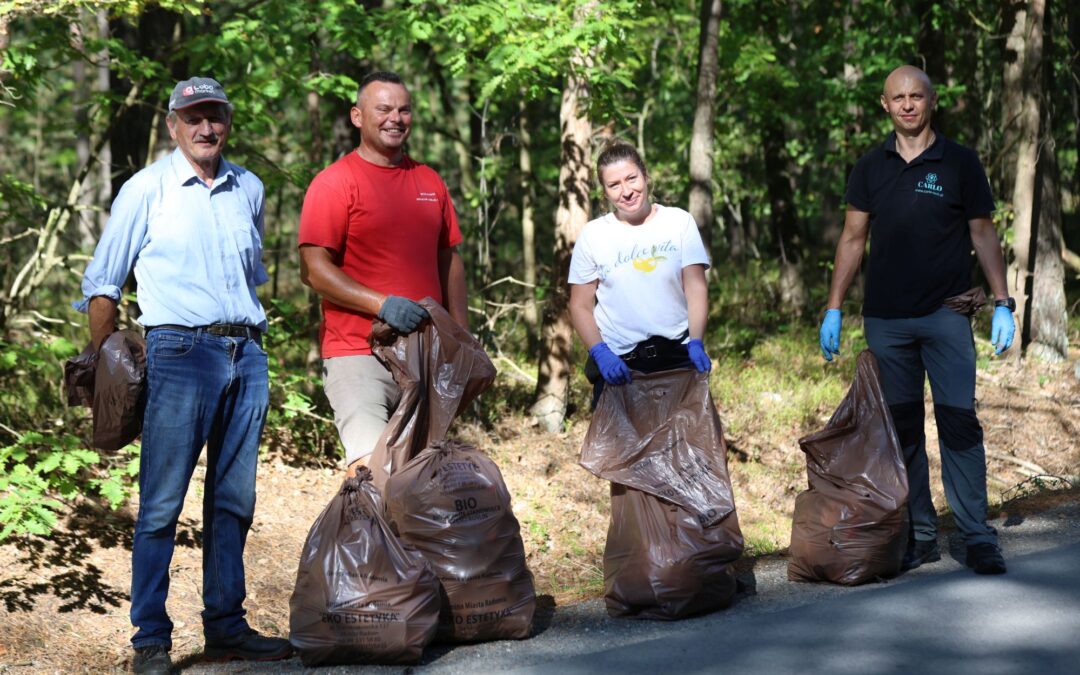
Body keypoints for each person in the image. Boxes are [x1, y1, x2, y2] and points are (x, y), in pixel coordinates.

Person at [75, 77, 292, 673]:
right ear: (172, 125)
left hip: (246, 353)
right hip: (178, 351)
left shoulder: (249, 187)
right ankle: (150, 640)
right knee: (162, 503)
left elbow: (255, 277)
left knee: (233, 499)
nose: (205, 127)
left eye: (214, 115)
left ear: (227, 121)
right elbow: (102, 283)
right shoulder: (146, 190)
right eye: (192, 117)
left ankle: (226, 625)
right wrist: (107, 367)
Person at [818, 65, 1015, 576]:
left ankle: (976, 536)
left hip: (948, 316)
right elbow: (853, 239)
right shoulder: (869, 167)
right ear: (884, 105)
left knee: (958, 424)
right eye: (897, 97)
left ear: (931, 102)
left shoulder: (960, 163)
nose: (907, 105)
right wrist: (834, 305)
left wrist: (1003, 302)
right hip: (887, 321)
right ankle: (921, 534)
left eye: (916, 96)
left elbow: (983, 234)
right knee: (901, 430)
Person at [298, 71, 468, 473]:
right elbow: (313, 270)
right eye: (384, 109)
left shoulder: (429, 181)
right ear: (358, 117)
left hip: (425, 355)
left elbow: (450, 260)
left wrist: (461, 338)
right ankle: (358, 537)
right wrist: (382, 304)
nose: (396, 117)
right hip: (358, 354)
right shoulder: (335, 183)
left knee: (419, 479)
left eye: (404, 109)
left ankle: (400, 539)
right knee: (372, 473)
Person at [569, 141, 712, 404]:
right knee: (621, 446)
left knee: (682, 444)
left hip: (677, 357)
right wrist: (600, 353)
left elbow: (696, 288)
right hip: (620, 365)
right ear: (605, 192)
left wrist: (696, 341)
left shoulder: (678, 222)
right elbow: (579, 305)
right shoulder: (593, 235)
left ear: (645, 176)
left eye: (631, 178)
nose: (626, 191)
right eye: (614, 185)